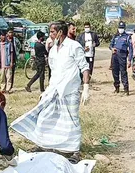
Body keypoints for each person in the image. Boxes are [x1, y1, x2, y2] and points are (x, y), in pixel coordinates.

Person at [11, 21, 90, 163]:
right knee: (44, 117)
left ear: (60, 32)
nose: (50, 34)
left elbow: (84, 67)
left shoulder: (74, 46)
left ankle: (75, 151)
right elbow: (53, 72)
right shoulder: (53, 50)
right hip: (54, 90)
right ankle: (43, 144)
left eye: (53, 32)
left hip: (70, 90)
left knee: (72, 120)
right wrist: (47, 90)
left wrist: (86, 88)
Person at [109, 21, 132, 95]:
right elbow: (110, 45)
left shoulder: (127, 37)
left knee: (123, 72)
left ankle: (126, 89)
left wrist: (129, 60)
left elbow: (131, 49)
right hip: (115, 55)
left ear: (124, 28)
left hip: (122, 55)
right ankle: (117, 88)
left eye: (122, 28)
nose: (120, 29)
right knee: (114, 72)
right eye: (119, 28)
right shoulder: (115, 36)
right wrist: (112, 48)